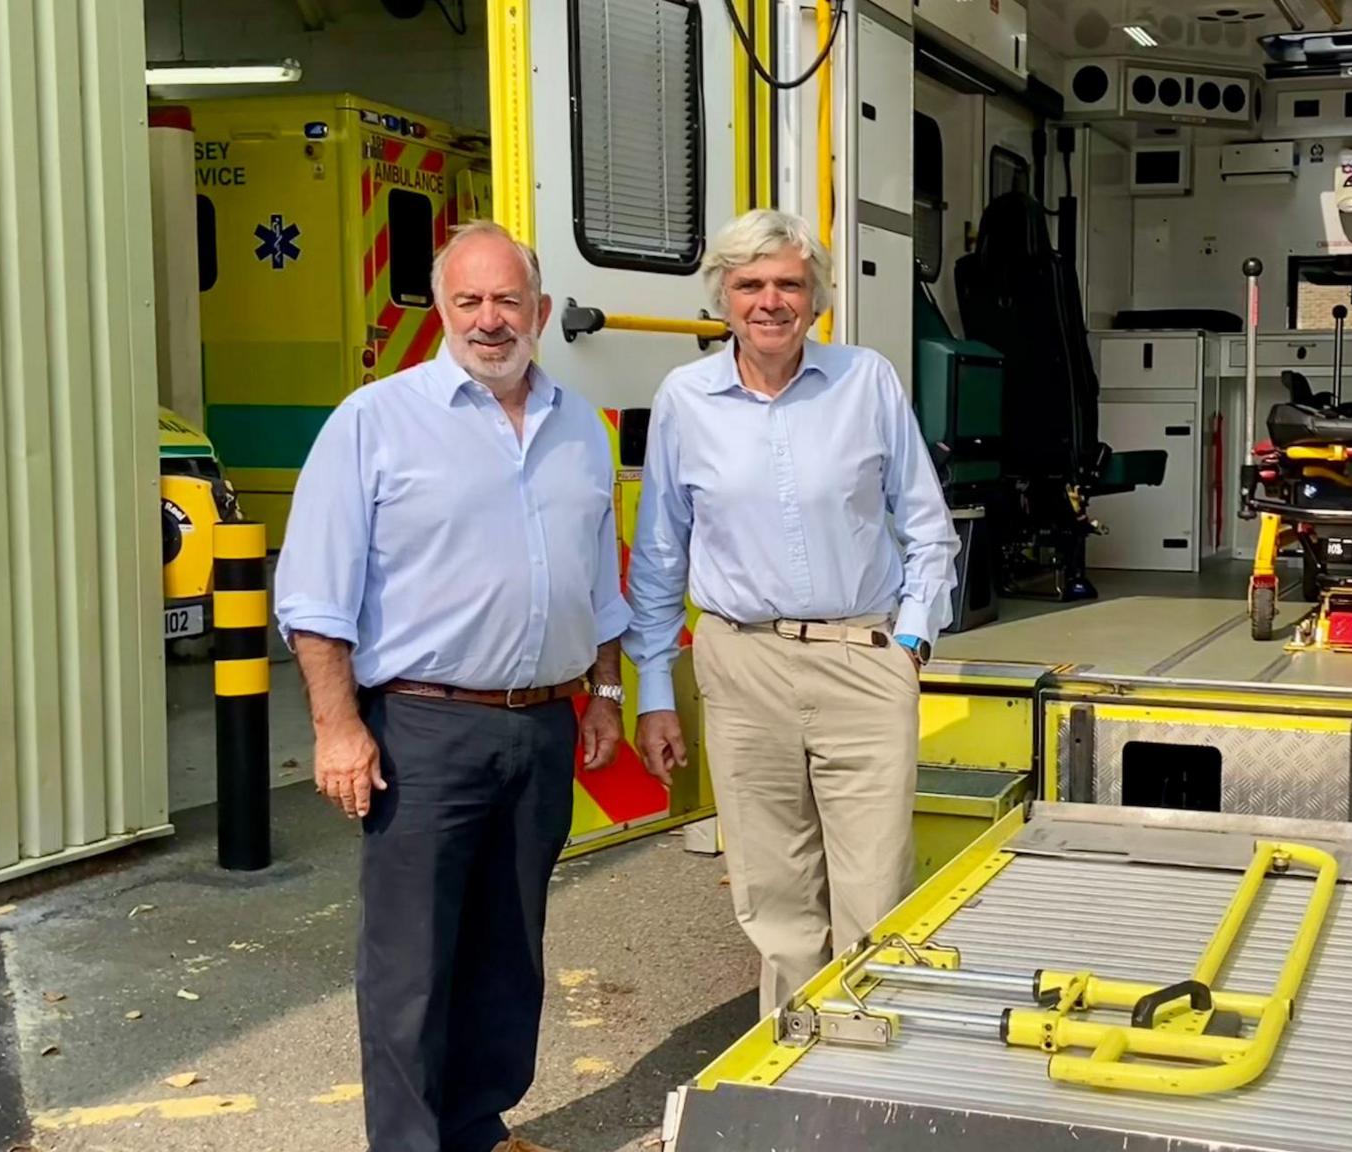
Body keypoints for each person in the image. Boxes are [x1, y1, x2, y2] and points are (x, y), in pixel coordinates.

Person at [275, 219, 628, 1152]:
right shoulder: (375, 420)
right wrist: (338, 727)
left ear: (541, 312)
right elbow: (314, 595)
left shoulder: (579, 427)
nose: (489, 319)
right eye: (468, 301)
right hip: (423, 731)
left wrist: (604, 689)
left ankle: (478, 1124)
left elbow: (597, 580)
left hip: (543, 727)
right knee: (411, 964)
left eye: (508, 300)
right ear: (440, 311)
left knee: (509, 953)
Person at [625, 208, 958, 1017]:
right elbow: (661, 552)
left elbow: (926, 528)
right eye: (750, 284)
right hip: (741, 664)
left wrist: (909, 640)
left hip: (861, 656)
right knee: (773, 893)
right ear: (723, 298)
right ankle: (798, 1063)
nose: (770, 301)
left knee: (876, 886)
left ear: (817, 299)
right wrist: (656, 692)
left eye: (789, 284)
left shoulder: (865, 379)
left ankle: (872, 1071)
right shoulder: (685, 399)